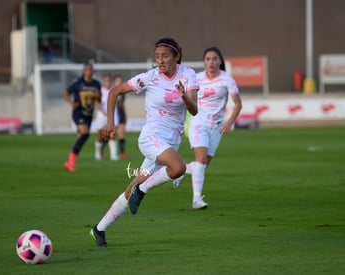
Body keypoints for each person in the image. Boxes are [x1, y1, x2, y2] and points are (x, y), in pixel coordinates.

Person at [90, 38, 199, 247]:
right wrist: (111, 122)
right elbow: (115, 92)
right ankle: (143, 190)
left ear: (177, 57)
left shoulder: (188, 75)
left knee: (131, 189)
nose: (160, 61)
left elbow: (194, 110)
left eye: (165, 56)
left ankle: (99, 229)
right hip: (151, 138)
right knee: (178, 167)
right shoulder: (150, 77)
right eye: (157, 57)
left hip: (170, 144)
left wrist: (184, 96)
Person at [172, 46, 242, 209]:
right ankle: (197, 199)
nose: (211, 62)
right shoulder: (196, 78)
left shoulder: (227, 80)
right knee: (201, 160)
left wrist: (228, 122)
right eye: (208, 59)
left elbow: (238, 104)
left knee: (202, 164)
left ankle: (180, 169)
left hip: (217, 127)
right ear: (204, 62)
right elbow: (184, 98)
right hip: (198, 122)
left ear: (220, 61)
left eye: (215, 59)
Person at [63, 63, 101, 171]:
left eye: (90, 69)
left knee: (82, 136)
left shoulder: (96, 83)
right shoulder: (77, 82)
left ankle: (70, 162)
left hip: (88, 114)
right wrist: (71, 103)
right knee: (84, 132)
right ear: (84, 71)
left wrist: (98, 96)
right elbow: (66, 92)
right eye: (87, 69)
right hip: (78, 112)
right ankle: (70, 160)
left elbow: (99, 99)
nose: (89, 71)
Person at [94, 73, 119, 161]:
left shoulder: (114, 90)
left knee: (112, 135)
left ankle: (113, 155)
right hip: (102, 116)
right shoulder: (100, 91)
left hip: (113, 115)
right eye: (106, 80)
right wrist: (103, 112)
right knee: (100, 136)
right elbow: (97, 103)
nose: (107, 82)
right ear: (104, 81)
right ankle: (97, 153)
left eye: (109, 80)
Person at [114, 74, 129, 159]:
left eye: (120, 81)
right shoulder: (112, 91)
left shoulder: (123, 92)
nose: (119, 83)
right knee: (112, 134)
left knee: (122, 133)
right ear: (114, 82)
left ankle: (122, 152)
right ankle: (101, 148)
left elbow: (122, 104)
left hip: (121, 113)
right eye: (118, 81)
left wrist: (125, 113)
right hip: (115, 114)